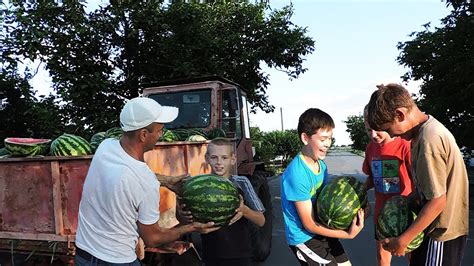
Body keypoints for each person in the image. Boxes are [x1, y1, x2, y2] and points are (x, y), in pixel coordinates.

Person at [75, 97, 218, 265]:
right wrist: (193, 227)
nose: (161, 135)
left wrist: (167, 181)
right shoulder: (145, 182)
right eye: (160, 130)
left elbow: (127, 176)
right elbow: (153, 238)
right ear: (143, 135)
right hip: (115, 260)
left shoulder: (106, 147)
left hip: (83, 253)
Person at [366, 83, 469, 265]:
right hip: (433, 231)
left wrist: (404, 239)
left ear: (400, 114)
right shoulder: (425, 132)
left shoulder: (429, 140)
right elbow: (430, 188)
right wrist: (408, 199)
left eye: (389, 129)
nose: (393, 135)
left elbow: (438, 201)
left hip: (441, 234)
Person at [280, 108, 365, 266]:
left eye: (330, 138)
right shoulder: (297, 174)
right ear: (305, 138)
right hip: (305, 239)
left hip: (322, 230)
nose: (328, 144)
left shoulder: (322, 166)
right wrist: (348, 234)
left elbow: (327, 201)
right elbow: (309, 224)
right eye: (323, 139)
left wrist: (360, 210)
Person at [178, 138, 265, 266]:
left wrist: (244, 210)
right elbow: (184, 221)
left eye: (224, 158)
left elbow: (261, 220)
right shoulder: (199, 185)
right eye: (214, 157)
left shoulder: (241, 183)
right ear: (206, 158)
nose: (219, 162)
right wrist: (180, 214)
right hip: (210, 255)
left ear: (233, 159)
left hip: (240, 256)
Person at [362, 106, 414, 266]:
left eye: (377, 129)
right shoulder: (370, 148)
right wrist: (360, 192)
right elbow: (372, 176)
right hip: (381, 212)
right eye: (368, 129)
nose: (373, 135)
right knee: (382, 256)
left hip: (405, 213)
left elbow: (417, 178)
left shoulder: (404, 144)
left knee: (412, 255)